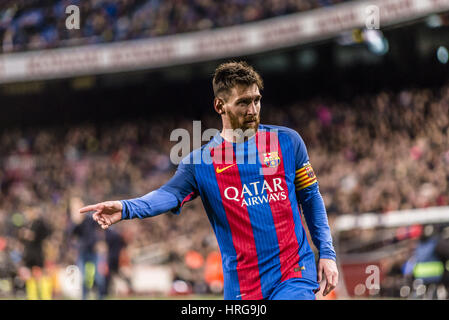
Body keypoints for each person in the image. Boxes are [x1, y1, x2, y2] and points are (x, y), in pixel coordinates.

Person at [80, 61, 338, 300]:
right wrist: (126, 208)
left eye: (257, 100)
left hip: (294, 273)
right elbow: (168, 195)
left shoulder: (287, 142)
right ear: (220, 106)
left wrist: (326, 252)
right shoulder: (200, 162)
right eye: (243, 102)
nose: (253, 109)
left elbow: (311, 197)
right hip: (243, 286)